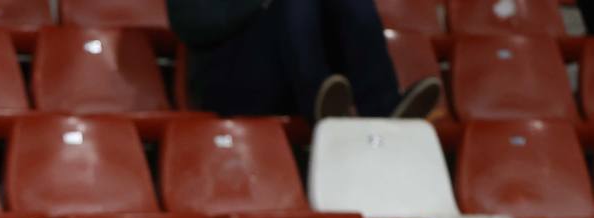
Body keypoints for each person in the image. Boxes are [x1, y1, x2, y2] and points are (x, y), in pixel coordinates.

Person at [169, 0, 443, 121]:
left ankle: (383, 107)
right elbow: (191, 24)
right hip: (233, 80)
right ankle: (319, 100)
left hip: (290, 77)